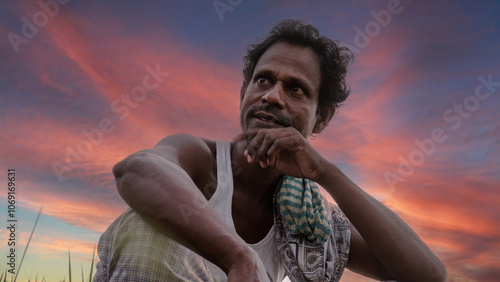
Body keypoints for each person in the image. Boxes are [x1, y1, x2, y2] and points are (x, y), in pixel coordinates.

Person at [94, 20, 447, 282]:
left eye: (295, 89)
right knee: (145, 226)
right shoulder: (201, 159)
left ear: (320, 119)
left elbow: (427, 275)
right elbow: (136, 169)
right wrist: (239, 258)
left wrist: (327, 173)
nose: (272, 96)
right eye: (263, 80)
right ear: (244, 93)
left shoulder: (309, 216)